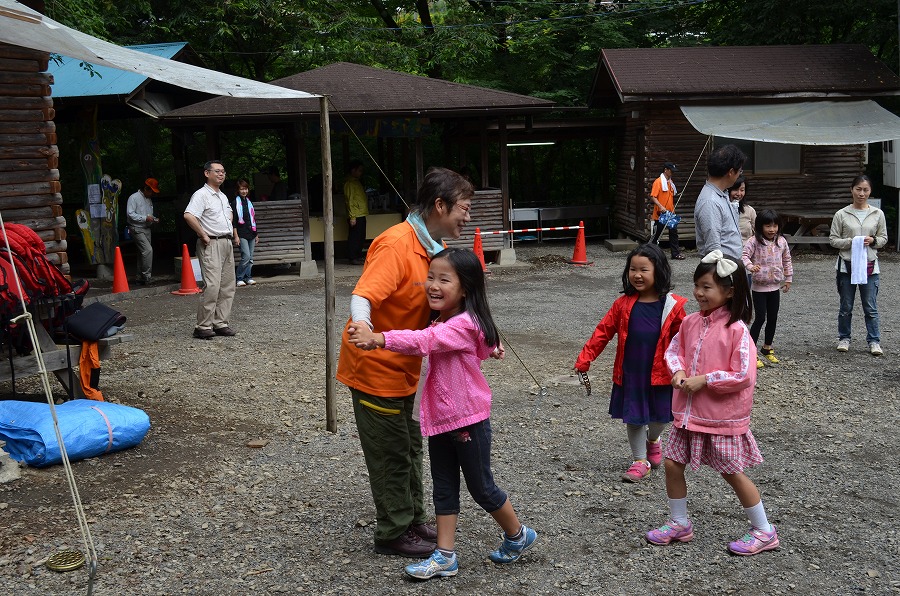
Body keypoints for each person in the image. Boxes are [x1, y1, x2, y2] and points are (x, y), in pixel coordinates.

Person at [347, 248, 536, 580]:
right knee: (444, 487)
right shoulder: (451, 318)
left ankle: (518, 535)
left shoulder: (459, 323)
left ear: (465, 288)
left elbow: (426, 340)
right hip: (440, 420)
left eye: (443, 279)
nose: (433, 285)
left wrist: (379, 338)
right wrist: (492, 347)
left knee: (482, 488)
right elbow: (479, 339)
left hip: (467, 421)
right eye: (430, 277)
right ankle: (445, 556)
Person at [336, 167, 474, 558]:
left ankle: (412, 519)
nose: (468, 216)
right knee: (390, 451)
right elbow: (363, 296)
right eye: (464, 207)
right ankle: (393, 532)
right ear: (440, 205)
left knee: (411, 446)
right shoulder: (397, 244)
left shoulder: (431, 247)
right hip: (375, 367)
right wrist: (362, 326)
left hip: (406, 369)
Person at [647, 250, 779, 556]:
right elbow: (674, 351)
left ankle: (764, 530)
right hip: (688, 414)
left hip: (720, 417)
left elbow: (743, 375)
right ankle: (679, 522)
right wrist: (678, 370)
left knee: (731, 471)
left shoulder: (737, 330)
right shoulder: (691, 322)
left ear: (729, 291)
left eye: (706, 287)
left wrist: (705, 379)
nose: (698, 293)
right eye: (697, 285)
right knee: (671, 463)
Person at [574, 243, 687, 482]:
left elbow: (685, 341)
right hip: (632, 373)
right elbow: (603, 332)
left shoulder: (673, 307)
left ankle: (653, 439)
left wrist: (687, 370)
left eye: (644, 270)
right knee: (634, 416)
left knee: (661, 417)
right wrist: (585, 358)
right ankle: (639, 459)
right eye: (632, 269)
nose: (637, 275)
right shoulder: (622, 304)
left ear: (659, 271)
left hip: (661, 373)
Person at [829, 175, 888, 356]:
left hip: (870, 265)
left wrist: (873, 240)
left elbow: (884, 238)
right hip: (847, 265)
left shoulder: (877, 214)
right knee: (846, 305)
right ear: (851, 190)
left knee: (870, 306)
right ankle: (844, 338)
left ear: (870, 192)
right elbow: (833, 240)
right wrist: (851, 241)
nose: (861, 193)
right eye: (858, 189)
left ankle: (874, 340)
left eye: (865, 190)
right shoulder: (842, 214)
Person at [184, 160, 239, 340]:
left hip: (226, 241)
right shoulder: (201, 195)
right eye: (217, 171)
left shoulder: (222, 196)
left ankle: (220, 322)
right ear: (207, 173)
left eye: (223, 171)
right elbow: (189, 215)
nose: (221, 174)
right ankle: (203, 326)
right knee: (213, 285)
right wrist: (203, 234)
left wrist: (228, 224)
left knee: (228, 285)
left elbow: (229, 213)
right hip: (211, 243)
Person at [742, 209, 793, 369]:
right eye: (768, 226)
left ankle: (767, 347)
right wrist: (750, 266)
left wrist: (788, 278)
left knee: (773, 318)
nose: (772, 229)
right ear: (760, 226)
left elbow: (787, 259)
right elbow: (744, 256)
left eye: (775, 226)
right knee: (760, 318)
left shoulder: (781, 241)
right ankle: (752, 351)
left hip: (775, 286)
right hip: (758, 287)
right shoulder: (753, 241)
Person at [694, 145, 746, 259]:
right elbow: (713, 250)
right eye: (740, 171)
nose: (739, 175)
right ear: (731, 172)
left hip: (733, 266)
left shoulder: (722, 194)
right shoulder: (710, 202)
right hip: (723, 269)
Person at [126, 178, 160, 285]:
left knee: (143, 253)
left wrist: (153, 219)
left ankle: (139, 277)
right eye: (151, 191)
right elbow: (130, 214)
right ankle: (147, 277)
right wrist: (145, 218)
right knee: (148, 250)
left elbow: (148, 215)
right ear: (146, 188)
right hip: (137, 228)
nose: (152, 194)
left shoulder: (148, 199)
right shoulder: (134, 197)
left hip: (146, 228)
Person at [649, 162, 685, 259]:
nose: (672, 173)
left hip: (670, 213)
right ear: (666, 170)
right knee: (657, 235)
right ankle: (650, 252)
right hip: (660, 214)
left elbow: (670, 196)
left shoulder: (670, 183)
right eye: (671, 171)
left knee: (673, 233)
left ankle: (675, 253)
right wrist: (660, 206)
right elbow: (653, 197)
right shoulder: (658, 182)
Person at [233, 178, 259, 287]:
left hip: (251, 233)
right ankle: (239, 278)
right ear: (238, 190)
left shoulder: (249, 202)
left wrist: (256, 234)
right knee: (246, 256)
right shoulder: (235, 203)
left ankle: (248, 277)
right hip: (241, 233)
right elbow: (233, 221)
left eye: (246, 189)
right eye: (242, 189)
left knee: (251, 257)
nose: (244, 191)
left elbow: (252, 218)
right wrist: (236, 236)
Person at [344, 159, 368, 265]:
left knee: (361, 236)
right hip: (356, 214)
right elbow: (349, 200)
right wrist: (352, 216)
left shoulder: (356, 182)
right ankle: (353, 257)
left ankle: (357, 255)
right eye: (359, 170)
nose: (360, 173)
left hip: (361, 213)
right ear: (353, 170)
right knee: (355, 237)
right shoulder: (349, 184)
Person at [730, 176, 756, 242]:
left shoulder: (749, 211)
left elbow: (758, 233)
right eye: (735, 189)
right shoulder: (721, 209)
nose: (739, 194)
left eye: (742, 190)